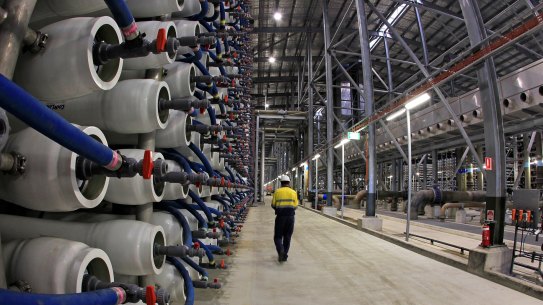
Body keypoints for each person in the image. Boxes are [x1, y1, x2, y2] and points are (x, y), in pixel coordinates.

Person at [271, 174, 298, 262]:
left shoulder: (277, 192)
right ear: (289, 182)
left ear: (281, 183)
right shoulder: (293, 192)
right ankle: (284, 255)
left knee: (278, 237)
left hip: (280, 217)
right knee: (287, 237)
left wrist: (279, 208)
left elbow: (273, 205)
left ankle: (281, 251)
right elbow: (295, 206)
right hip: (290, 217)